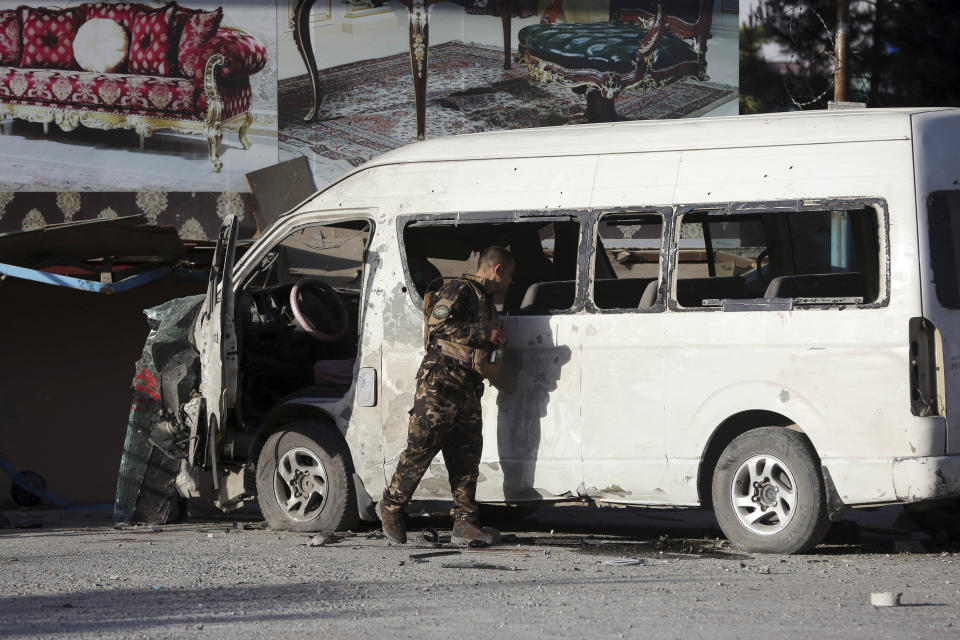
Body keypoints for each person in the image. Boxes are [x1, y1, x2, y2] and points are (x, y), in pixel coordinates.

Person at [377, 246, 515, 545]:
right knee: (423, 446)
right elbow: (440, 325)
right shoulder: (459, 289)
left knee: (466, 456)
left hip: (467, 383)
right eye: (511, 274)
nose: (512, 282)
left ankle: (464, 523)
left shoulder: (485, 301)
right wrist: (484, 334)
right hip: (440, 380)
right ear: (498, 270)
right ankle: (391, 506)